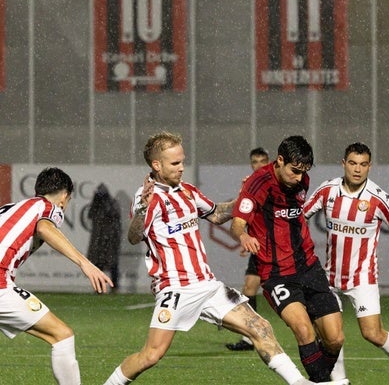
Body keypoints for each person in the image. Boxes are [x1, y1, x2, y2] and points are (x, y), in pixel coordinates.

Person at [103, 131, 315, 385]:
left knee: (260, 328)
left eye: (182, 161)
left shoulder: (188, 192)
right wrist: (142, 210)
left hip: (207, 285)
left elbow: (216, 214)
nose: (182, 167)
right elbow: (135, 236)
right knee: (151, 355)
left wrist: (246, 198)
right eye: (175, 163)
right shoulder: (148, 197)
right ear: (156, 165)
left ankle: (299, 383)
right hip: (175, 287)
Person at [302, 142, 389, 384]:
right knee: (332, 334)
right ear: (344, 164)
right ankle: (340, 381)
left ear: (369, 166)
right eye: (352, 163)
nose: (357, 169)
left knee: (372, 333)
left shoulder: (378, 198)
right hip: (328, 278)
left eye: (363, 164)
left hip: (362, 277)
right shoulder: (327, 191)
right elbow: (298, 218)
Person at [230, 135, 346, 383]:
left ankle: (318, 380)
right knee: (304, 331)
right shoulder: (257, 184)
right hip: (277, 274)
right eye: (293, 171)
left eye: (303, 172)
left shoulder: (302, 177)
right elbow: (238, 223)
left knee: (335, 339)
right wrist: (244, 236)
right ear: (279, 160)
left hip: (308, 266)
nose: (298, 177)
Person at [0, 167, 113, 385]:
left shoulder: (11, 208)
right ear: (64, 197)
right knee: (62, 335)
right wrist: (85, 263)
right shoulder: (49, 207)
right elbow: (44, 228)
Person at [226, 146, 270, 351]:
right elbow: (248, 213)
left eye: (263, 161)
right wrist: (246, 238)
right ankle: (250, 338)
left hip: (277, 247)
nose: (259, 165)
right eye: (255, 162)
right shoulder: (251, 184)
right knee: (249, 288)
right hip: (259, 245)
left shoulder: (273, 182)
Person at [87, 183, 122, 291]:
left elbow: (114, 219)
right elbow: (90, 215)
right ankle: (99, 287)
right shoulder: (96, 206)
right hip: (99, 240)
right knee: (98, 265)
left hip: (109, 240)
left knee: (112, 264)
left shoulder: (111, 204)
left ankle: (114, 287)